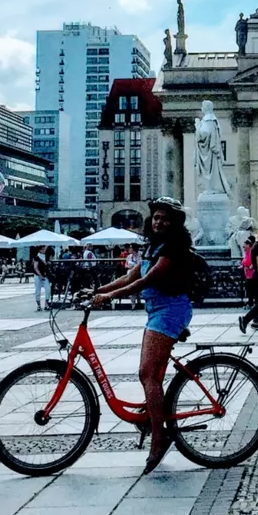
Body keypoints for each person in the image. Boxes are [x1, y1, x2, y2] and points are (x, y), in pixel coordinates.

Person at [89, 196, 195, 474]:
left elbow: (147, 281)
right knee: (153, 375)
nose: (159, 221)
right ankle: (151, 415)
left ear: (173, 224)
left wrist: (110, 296)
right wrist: (97, 291)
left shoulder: (174, 247)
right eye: (156, 217)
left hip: (170, 310)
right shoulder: (153, 246)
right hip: (157, 310)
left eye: (164, 218)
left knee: (146, 374)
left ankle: (159, 439)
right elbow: (129, 276)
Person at [31, 246, 49, 311]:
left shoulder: (46, 256)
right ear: (40, 250)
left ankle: (46, 304)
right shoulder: (36, 257)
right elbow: (35, 268)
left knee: (48, 290)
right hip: (38, 276)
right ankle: (39, 305)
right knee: (38, 291)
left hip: (45, 275)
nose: (44, 250)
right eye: (43, 249)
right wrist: (40, 275)